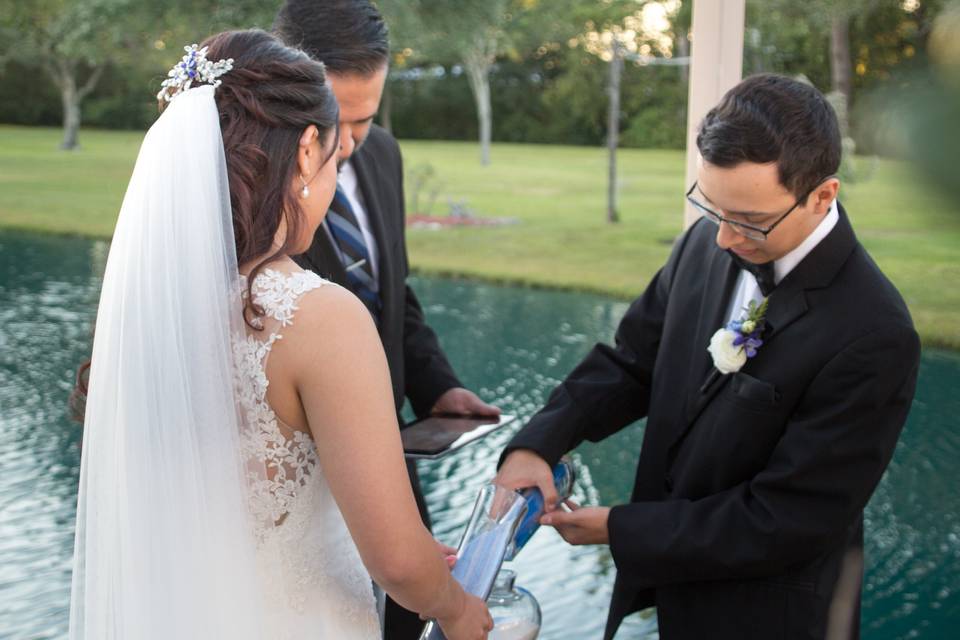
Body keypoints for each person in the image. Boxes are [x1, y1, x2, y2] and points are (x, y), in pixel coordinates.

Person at [69, 29, 492, 640]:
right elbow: (397, 560)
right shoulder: (319, 317)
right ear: (304, 151)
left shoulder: (149, 308)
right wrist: (456, 608)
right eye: (333, 161)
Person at [494, 74, 921, 640]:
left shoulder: (874, 332)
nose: (722, 237)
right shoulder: (704, 243)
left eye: (748, 219)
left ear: (823, 195)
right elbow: (631, 363)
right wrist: (538, 441)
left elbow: (786, 520)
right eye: (709, 204)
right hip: (678, 595)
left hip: (768, 615)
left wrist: (621, 529)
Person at [273, 3, 499, 636]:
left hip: (390, 465)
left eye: (363, 120)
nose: (344, 145)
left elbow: (391, 292)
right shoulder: (241, 193)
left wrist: (438, 388)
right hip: (286, 495)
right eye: (330, 122)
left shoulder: (383, 158)